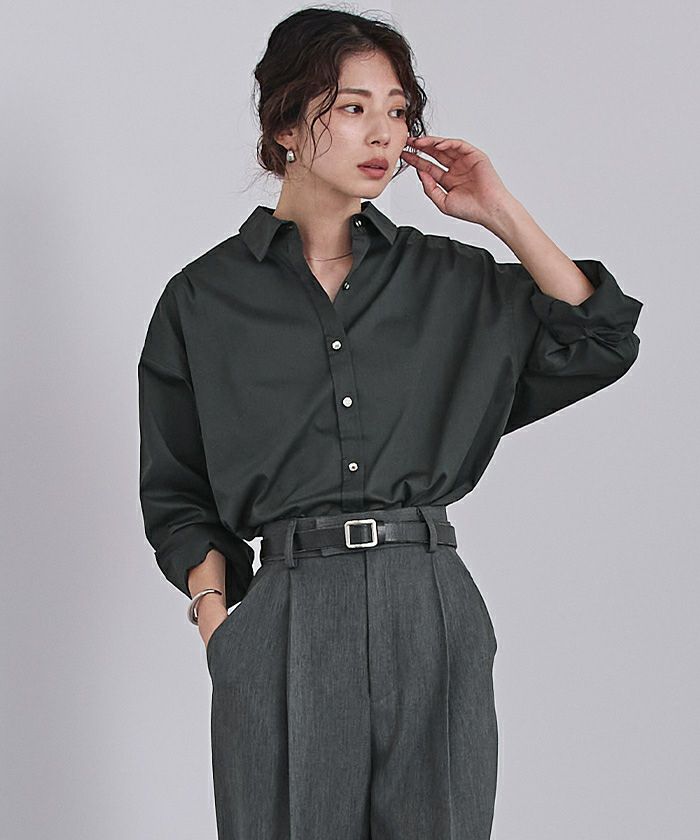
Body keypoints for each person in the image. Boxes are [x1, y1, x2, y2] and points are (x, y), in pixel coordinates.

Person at [137, 7, 643, 840]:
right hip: (285, 616)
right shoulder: (203, 300)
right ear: (285, 125)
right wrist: (219, 622)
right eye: (353, 106)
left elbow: (600, 338)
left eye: (399, 110)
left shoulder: (451, 281)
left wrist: (499, 210)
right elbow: (178, 489)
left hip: (429, 601)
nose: (384, 131)